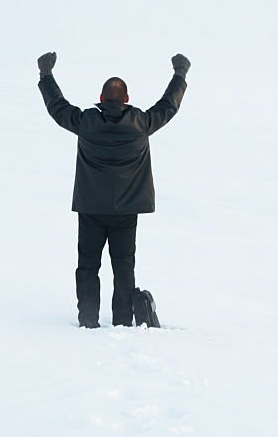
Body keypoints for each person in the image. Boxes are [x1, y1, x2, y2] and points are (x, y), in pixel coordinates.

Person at [37, 52, 190, 328]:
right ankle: (122, 322)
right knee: (123, 267)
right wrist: (180, 74)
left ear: (102, 97)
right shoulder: (141, 124)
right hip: (126, 212)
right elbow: (169, 106)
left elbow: (57, 107)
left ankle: (88, 320)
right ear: (127, 99)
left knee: (87, 266)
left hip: (91, 209)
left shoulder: (87, 122)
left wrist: (46, 74)